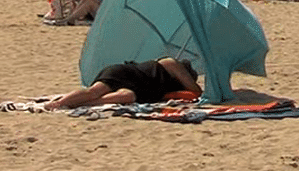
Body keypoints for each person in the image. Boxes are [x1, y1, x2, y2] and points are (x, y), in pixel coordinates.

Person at [45, 58, 202, 110]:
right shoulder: (170, 63)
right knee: (94, 91)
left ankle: (80, 104)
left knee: (125, 97)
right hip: (127, 74)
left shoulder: (166, 87)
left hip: (139, 89)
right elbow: (195, 91)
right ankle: (58, 103)